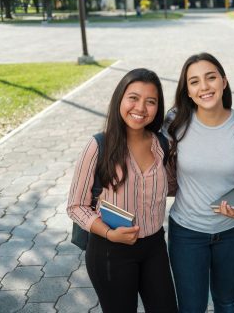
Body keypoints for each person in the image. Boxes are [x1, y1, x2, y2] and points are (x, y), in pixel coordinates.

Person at [67, 68, 178, 313]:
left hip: (154, 246)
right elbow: (76, 207)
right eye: (133, 98)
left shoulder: (162, 144)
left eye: (151, 101)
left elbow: (171, 186)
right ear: (120, 99)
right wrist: (109, 233)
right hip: (110, 249)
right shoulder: (98, 146)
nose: (141, 107)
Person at [165, 53, 234, 313]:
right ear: (187, 91)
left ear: (224, 81)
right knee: (191, 307)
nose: (204, 87)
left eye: (211, 78)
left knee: (227, 301)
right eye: (194, 82)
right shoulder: (175, 125)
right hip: (186, 232)